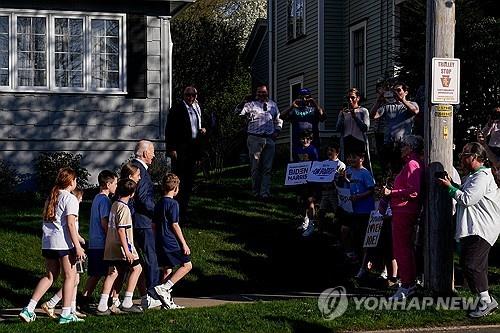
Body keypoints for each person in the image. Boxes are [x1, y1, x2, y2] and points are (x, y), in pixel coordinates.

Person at [438, 142, 500, 318]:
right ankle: (484, 299)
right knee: (471, 264)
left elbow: (467, 199)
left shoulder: (482, 177)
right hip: (475, 227)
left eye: (466, 154)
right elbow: (467, 195)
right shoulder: (474, 176)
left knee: (472, 264)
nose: (462, 157)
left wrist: (449, 188)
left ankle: (486, 301)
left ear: (475, 157)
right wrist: (453, 186)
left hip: (482, 228)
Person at [19, 168, 85, 324]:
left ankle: (29, 308)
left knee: (50, 276)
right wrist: (78, 246)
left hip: (48, 243)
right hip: (63, 244)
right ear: (71, 181)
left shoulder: (51, 197)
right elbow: (70, 224)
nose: (76, 182)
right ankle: (66, 313)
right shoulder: (70, 199)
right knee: (70, 277)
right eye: (75, 179)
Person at [382, 135, 424, 301]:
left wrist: (391, 193)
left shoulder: (413, 164)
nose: (400, 149)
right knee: (400, 249)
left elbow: (414, 191)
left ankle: (407, 284)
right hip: (400, 211)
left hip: (405, 211)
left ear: (410, 148)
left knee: (402, 249)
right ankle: (407, 283)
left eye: (403, 146)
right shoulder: (409, 164)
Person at [97, 179, 143, 314]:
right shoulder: (124, 208)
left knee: (113, 273)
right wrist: (128, 251)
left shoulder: (114, 205)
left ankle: (102, 304)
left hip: (111, 245)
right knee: (137, 269)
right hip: (122, 246)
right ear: (132, 193)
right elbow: (122, 230)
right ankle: (127, 301)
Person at [41, 188, 87, 320]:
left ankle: (71, 308)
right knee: (72, 279)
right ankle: (53, 304)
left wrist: (82, 241)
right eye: (81, 197)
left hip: (62, 245)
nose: (82, 200)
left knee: (74, 280)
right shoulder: (72, 208)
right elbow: (73, 230)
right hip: (69, 248)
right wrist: (80, 245)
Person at [130, 140, 164, 309]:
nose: (154, 155)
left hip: (135, 221)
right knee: (151, 257)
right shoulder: (140, 170)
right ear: (144, 153)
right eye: (152, 152)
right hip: (142, 221)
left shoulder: (133, 167)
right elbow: (143, 197)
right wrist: (157, 211)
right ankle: (151, 294)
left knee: (137, 261)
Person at [166, 85, 207, 221]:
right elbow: (170, 130)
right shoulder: (177, 109)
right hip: (180, 149)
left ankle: (184, 209)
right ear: (183, 95)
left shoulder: (197, 108)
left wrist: (204, 130)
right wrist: (171, 148)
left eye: (193, 95)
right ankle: (175, 210)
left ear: (196, 96)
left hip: (193, 149)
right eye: (187, 95)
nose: (190, 97)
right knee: (179, 180)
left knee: (190, 181)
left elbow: (202, 125)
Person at [79, 170, 118, 311]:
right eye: (115, 183)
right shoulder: (105, 200)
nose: (116, 186)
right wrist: (112, 238)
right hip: (102, 243)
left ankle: (84, 299)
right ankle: (108, 300)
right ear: (108, 184)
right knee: (111, 272)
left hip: (95, 242)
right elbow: (104, 222)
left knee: (95, 274)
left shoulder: (96, 198)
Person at [152, 173, 192, 309]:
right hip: (170, 241)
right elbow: (175, 224)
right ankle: (165, 288)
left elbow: (153, 225)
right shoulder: (173, 204)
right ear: (175, 188)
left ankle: (166, 301)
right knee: (187, 265)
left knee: (167, 269)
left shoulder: (158, 203)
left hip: (159, 240)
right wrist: (184, 243)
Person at [239, 84, 283, 200]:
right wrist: (243, 102)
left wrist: (277, 131)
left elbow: (279, 120)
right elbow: (238, 113)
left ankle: (265, 193)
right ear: (256, 93)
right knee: (255, 167)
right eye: (259, 92)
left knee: (267, 168)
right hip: (254, 138)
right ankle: (256, 192)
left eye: (263, 92)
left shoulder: (273, 105)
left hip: (269, 139)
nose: (261, 94)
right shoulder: (250, 105)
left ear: (267, 92)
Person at [370, 82, 419, 173]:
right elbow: (373, 116)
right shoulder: (388, 106)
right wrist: (378, 101)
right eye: (394, 90)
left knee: (403, 170)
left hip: (404, 145)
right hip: (389, 143)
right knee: (389, 170)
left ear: (406, 92)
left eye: (399, 90)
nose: (396, 92)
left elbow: (415, 111)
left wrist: (402, 100)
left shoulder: (412, 103)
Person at [336, 152, 375, 265]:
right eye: (349, 156)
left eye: (354, 156)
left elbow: (371, 190)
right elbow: (344, 184)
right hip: (350, 208)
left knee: (362, 235)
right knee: (345, 230)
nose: (351, 159)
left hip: (363, 210)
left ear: (362, 158)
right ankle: (351, 253)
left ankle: (365, 260)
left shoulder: (365, 173)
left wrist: (358, 197)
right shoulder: (348, 170)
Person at [280, 87, 326, 152]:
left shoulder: (314, 109)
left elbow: (323, 117)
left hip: (312, 141)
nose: (304, 99)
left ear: (310, 98)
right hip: (298, 141)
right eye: (301, 98)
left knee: (314, 159)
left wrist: (314, 103)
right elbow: (281, 116)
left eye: (307, 97)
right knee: (298, 160)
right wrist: (292, 106)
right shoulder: (294, 110)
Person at [293, 130, 320, 237]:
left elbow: (317, 164)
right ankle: (306, 221)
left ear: (311, 139)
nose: (305, 140)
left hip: (311, 181)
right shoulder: (297, 149)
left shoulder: (313, 150)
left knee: (310, 202)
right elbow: (295, 164)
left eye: (307, 139)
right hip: (301, 180)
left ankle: (312, 225)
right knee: (303, 201)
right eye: (303, 138)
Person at [336, 88, 370, 165]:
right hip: (347, 140)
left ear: (358, 98)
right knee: (347, 164)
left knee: (359, 164)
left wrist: (355, 117)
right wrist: (341, 116)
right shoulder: (343, 112)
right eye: (348, 98)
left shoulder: (363, 111)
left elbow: (365, 128)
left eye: (352, 97)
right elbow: (338, 128)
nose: (350, 100)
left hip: (359, 141)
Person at [318, 141, 346, 233]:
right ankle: (320, 229)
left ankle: (338, 229)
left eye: (332, 150)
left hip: (334, 191)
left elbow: (341, 178)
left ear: (337, 153)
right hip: (324, 191)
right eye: (328, 150)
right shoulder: (324, 163)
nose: (329, 152)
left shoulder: (340, 164)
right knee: (321, 210)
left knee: (337, 210)